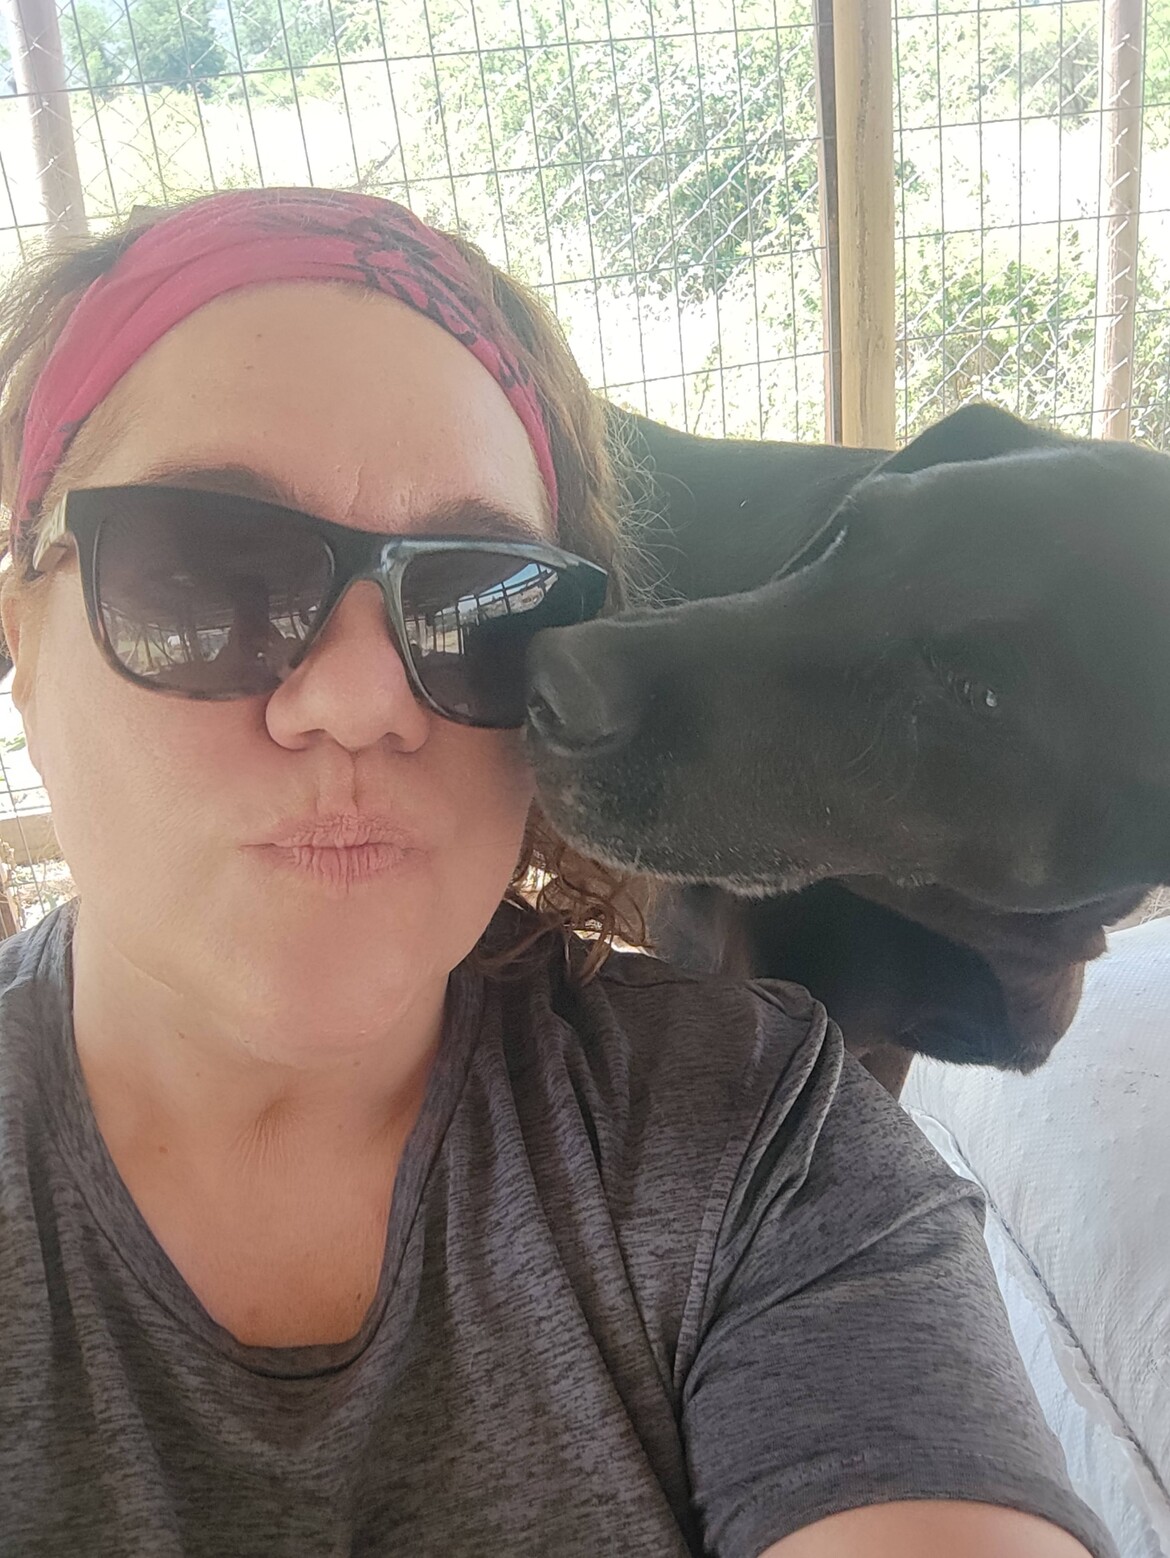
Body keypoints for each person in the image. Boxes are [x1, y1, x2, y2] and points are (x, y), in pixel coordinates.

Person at [0, 187, 1112, 1558]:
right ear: (23, 637)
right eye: (205, 574)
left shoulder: (765, 1146)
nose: (361, 699)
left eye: (481, 605)